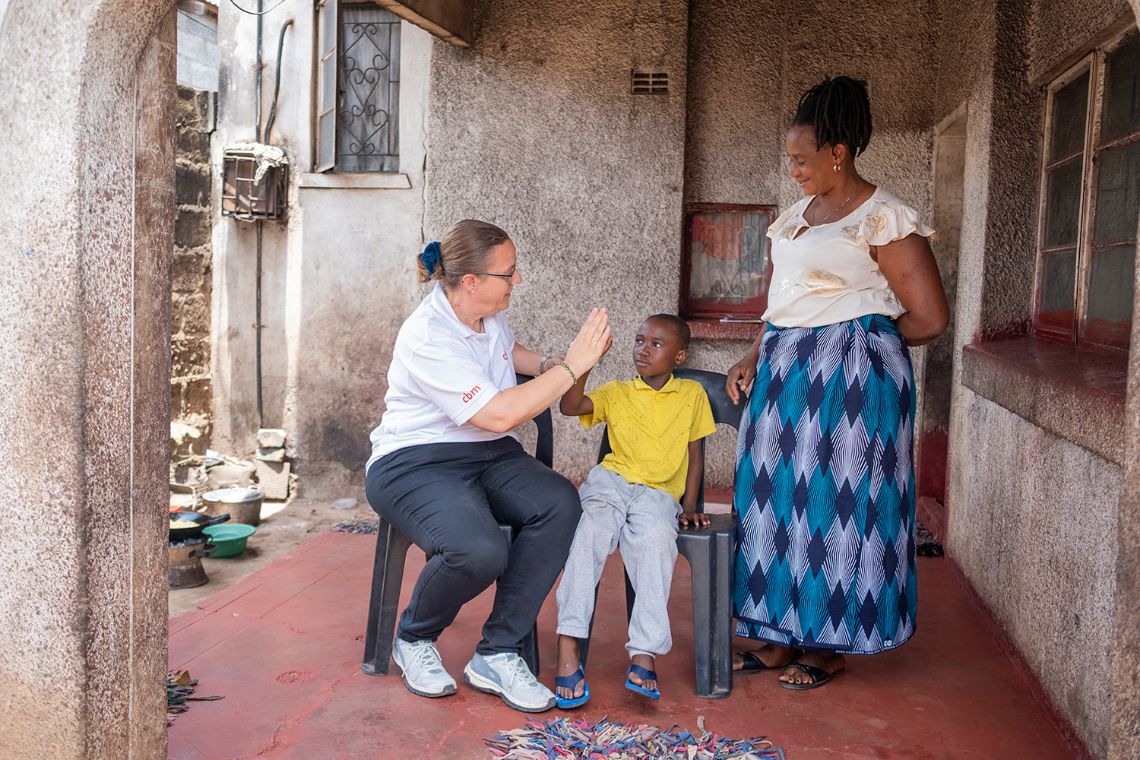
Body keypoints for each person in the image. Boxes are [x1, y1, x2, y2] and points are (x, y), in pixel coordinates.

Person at [726, 76, 949, 690]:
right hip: (783, 374)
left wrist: (859, 345)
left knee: (841, 505)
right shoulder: (795, 219)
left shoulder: (885, 217)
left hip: (851, 381)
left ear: (838, 152)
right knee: (774, 504)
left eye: (801, 159)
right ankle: (778, 635)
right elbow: (783, 302)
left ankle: (827, 646)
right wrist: (753, 353)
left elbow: (929, 316)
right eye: (789, 159)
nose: (792, 169)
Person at [364, 219, 612, 713]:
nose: (516, 282)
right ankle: (414, 638)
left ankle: (497, 651)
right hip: (414, 461)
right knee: (477, 550)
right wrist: (572, 368)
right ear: (471, 281)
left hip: (486, 452)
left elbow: (506, 353)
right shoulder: (427, 335)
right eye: (508, 274)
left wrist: (545, 364)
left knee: (560, 503)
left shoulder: (488, 313)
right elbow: (499, 413)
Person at [551, 314, 716, 707]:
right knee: (588, 535)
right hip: (611, 484)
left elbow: (695, 454)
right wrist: (584, 364)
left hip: (658, 495)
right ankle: (568, 643)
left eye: (656, 344)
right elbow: (571, 406)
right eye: (639, 340)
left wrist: (690, 505)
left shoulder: (691, 395)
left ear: (679, 356)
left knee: (659, 543)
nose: (644, 349)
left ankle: (644, 650)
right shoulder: (617, 392)